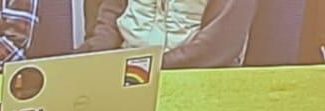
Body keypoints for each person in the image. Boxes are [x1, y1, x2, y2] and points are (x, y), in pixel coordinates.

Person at [80, 0, 258, 69]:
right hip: (125, 70)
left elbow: (217, 47)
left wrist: (142, 68)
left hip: (198, 75)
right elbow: (109, 15)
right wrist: (95, 56)